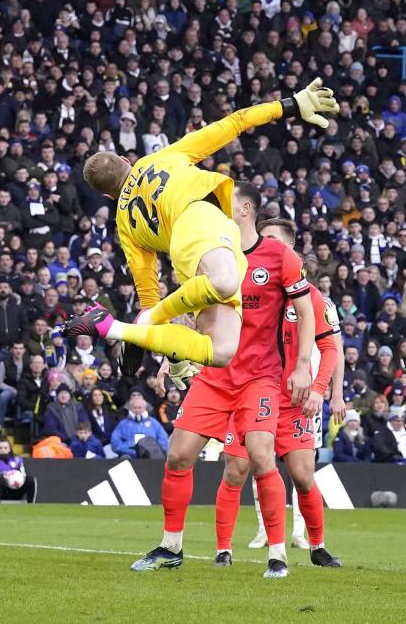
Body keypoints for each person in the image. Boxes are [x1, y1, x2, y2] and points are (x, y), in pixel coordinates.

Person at [64, 81, 337, 381]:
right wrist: (290, 105)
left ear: (107, 196)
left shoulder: (124, 224)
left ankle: (119, 329)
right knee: (223, 282)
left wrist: (168, 346)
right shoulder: (163, 156)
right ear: (127, 161)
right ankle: (141, 326)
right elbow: (235, 122)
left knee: (221, 351)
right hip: (199, 219)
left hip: (187, 259)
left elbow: (148, 292)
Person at [129, 183, 315, 580]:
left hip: (259, 377)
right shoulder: (211, 253)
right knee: (178, 454)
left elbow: (306, 309)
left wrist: (302, 364)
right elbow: (189, 311)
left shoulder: (280, 256)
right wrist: (170, 358)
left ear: (245, 209)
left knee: (262, 455)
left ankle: (278, 555)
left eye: (224, 205)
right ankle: (171, 546)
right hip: (214, 375)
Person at [217, 218, 345, 568]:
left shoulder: (312, 298)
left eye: (272, 240)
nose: (262, 246)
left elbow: (331, 347)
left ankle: (317, 545)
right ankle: (223, 550)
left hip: (293, 404)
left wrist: (321, 390)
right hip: (249, 392)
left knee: (303, 477)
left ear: (289, 250)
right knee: (236, 469)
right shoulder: (241, 286)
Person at [110, 393, 169, 460]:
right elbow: (115, 443)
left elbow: (163, 439)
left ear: (145, 408)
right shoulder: (123, 424)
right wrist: (133, 451)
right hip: (130, 456)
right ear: (130, 409)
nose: (137, 410)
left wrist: (154, 450)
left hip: (152, 456)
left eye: (140, 408)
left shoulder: (154, 423)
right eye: (134, 408)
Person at [0, 438, 37, 503]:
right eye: (0, 448)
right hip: (1, 490)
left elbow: (23, 475)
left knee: (31, 479)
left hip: (16, 489)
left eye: (5, 448)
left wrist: (16, 476)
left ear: (9, 449)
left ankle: (31, 504)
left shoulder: (17, 460)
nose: (3, 450)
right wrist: (3, 476)